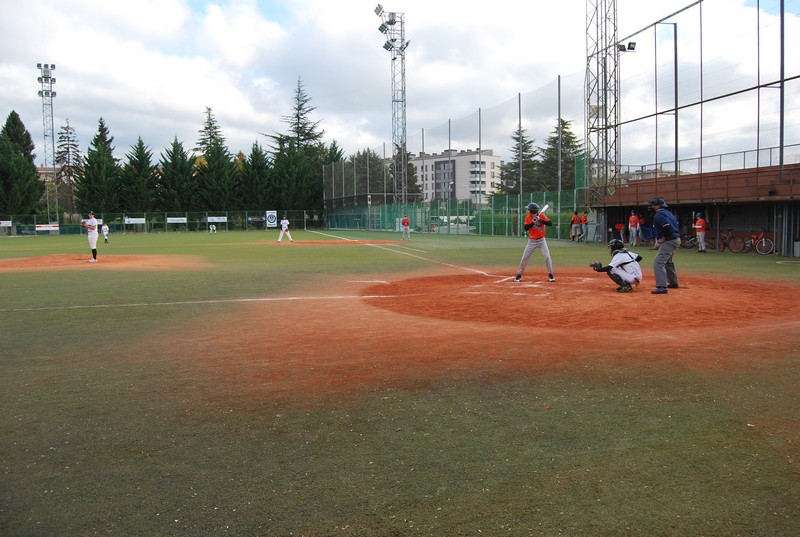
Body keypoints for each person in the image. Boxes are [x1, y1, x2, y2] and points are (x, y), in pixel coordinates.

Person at [514, 203, 555, 283]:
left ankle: (550, 274)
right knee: (525, 258)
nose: (528, 210)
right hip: (532, 241)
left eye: (529, 209)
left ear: (532, 210)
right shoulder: (528, 217)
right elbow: (526, 228)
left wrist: (540, 220)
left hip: (542, 241)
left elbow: (550, 224)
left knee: (547, 257)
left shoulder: (541, 216)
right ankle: (519, 274)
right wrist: (533, 222)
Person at [649, 198, 681, 294]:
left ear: (658, 206)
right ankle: (673, 283)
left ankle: (661, 287)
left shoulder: (659, 214)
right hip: (675, 239)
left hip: (669, 240)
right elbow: (676, 224)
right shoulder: (669, 213)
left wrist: (664, 237)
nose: (652, 207)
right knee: (668, 261)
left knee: (658, 262)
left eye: (653, 205)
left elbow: (666, 226)